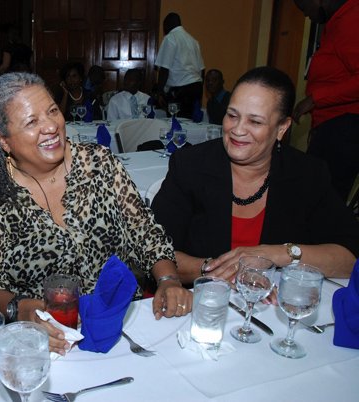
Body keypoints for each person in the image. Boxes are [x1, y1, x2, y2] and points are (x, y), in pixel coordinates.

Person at [0, 72, 191, 356]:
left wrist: (168, 280)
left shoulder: (98, 162)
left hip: (122, 325)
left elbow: (145, 232)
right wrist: (25, 311)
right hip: (48, 340)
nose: (50, 126)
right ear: (4, 141)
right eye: (32, 121)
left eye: (52, 111)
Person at [151, 66, 359, 287]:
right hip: (204, 304)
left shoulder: (307, 173)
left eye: (255, 122)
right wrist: (220, 269)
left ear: (282, 128)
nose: (238, 130)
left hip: (271, 310)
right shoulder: (191, 165)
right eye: (232, 115)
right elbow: (153, 248)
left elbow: (349, 257)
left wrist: (278, 254)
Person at [292, 0, 359, 201]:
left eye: (304, 8)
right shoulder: (336, 23)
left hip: (345, 126)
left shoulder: (351, 19)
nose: (306, 16)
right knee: (313, 196)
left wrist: (315, 99)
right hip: (333, 125)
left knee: (322, 203)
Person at [153, 13, 205, 119]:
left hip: (180, 91)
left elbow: (164, 69)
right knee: (191, 123)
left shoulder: (170, 38)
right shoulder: (193, 41)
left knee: (176, 124)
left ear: (166, 25)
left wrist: (159, 92)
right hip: (196, 88)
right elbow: (202, 69)